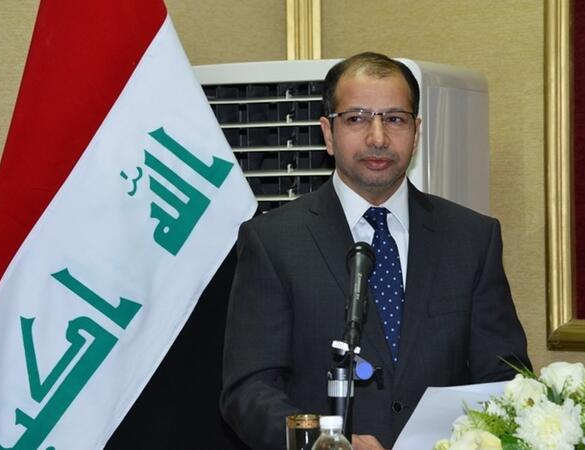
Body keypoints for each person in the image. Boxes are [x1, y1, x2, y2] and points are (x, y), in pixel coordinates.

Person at [220, 52, 530, 450]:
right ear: (328, 133)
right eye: (357, 118)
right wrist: (325, 441)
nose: (378, 138)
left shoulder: (472, 238)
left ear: (416, 132)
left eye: (395, 119)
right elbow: (248, 391)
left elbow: (506, 379)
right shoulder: (273, 241)